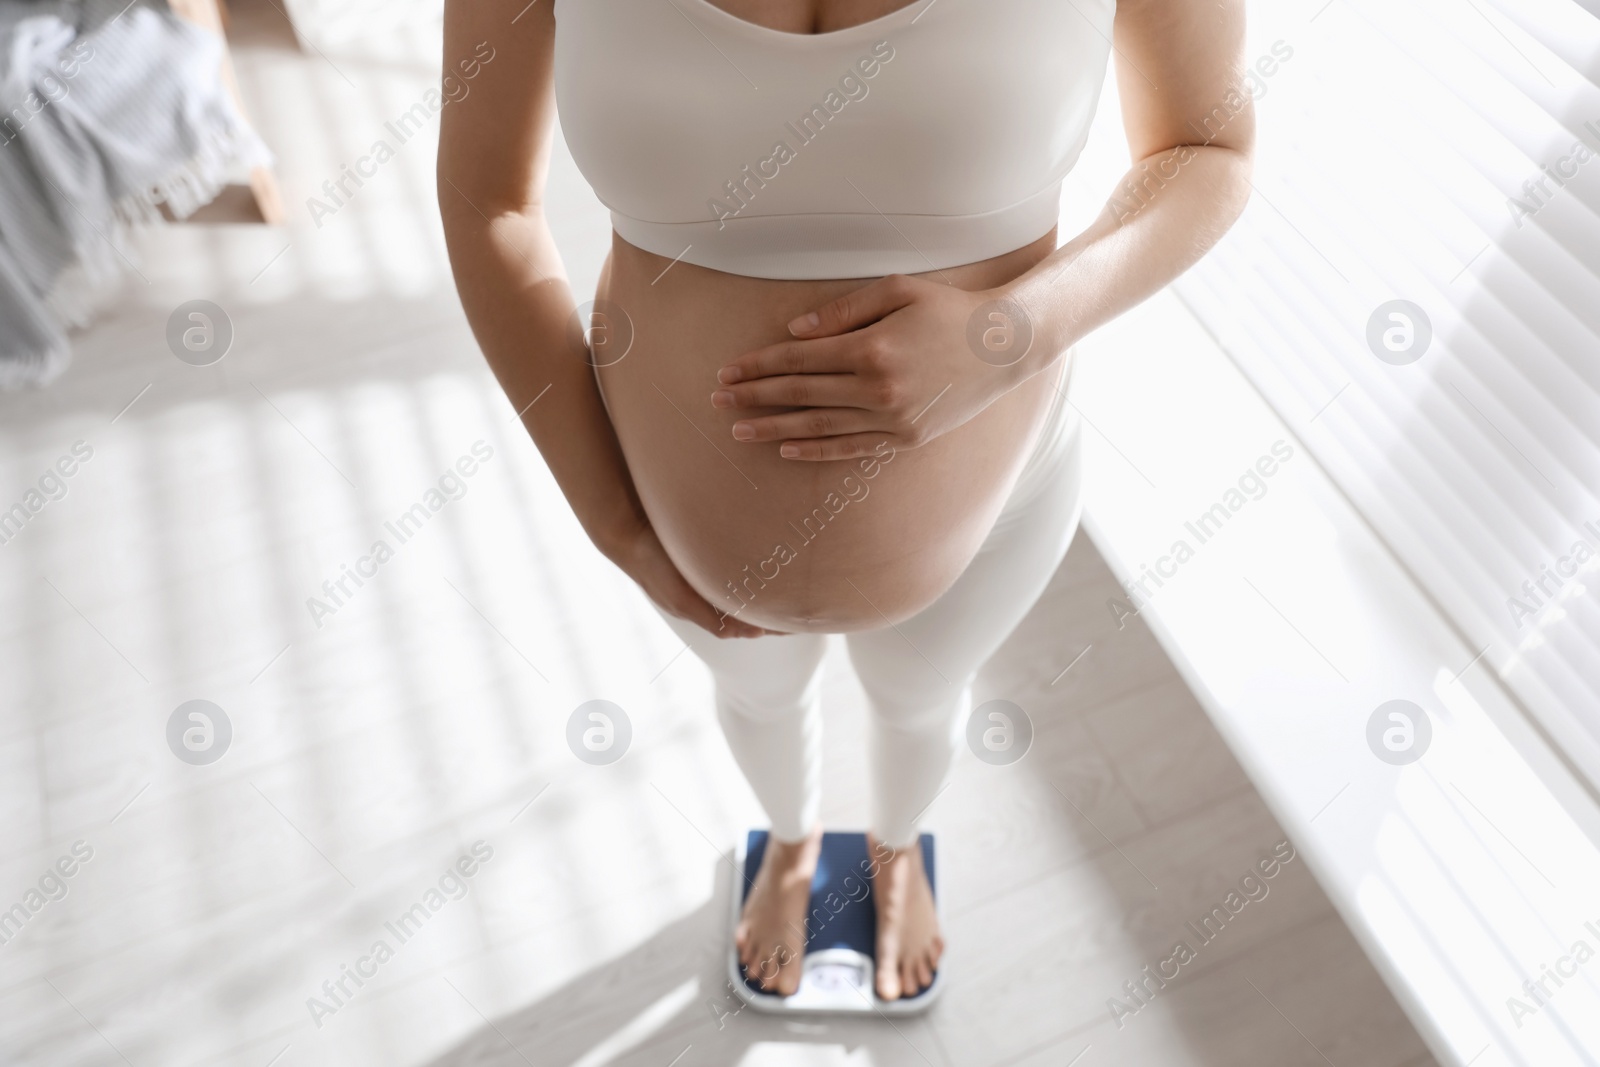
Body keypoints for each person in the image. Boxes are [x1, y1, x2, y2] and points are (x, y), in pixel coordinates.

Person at [439, 0, 1253, 1003]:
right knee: (755, 694)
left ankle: (894, 849)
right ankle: (787, 849)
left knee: (921, 696)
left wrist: (1007, 333)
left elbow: (1205, 150)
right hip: (662, 510)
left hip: (1000, 491)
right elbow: (490, 206)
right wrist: (613, 521)